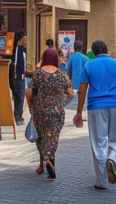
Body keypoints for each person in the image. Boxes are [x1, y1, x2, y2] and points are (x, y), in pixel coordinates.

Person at [74, 40, 116, 190]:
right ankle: (112, 158)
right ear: (107, 49)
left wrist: (79, 112)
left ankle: (102, 182)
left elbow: (81, 90)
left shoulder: (89, 65)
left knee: (98, 143)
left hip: (95, 107)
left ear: (93, 52)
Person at [26, 48, 73, 179]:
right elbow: (70, 93)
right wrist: (62, 104)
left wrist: (31, 106)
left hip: (39, 111)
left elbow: (28, 92)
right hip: (57, 112)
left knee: (41, 137)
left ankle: (43, 163)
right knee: (52, 138)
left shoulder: (37, 74)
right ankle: (49, 161)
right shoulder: (62, 74)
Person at [10, 33, 28, 125]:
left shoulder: (24, 50)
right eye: (24, 38)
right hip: (15, 76)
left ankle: (19, 116)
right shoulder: (15, 49)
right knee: (16, 96)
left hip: (22, 76)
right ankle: (15, 116)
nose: (25, 40)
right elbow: (15, 63)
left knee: (20, 97)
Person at [65, 40, 88, 106]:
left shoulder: (71, 57)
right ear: (82, 47)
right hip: (84, 87)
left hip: (73, 87)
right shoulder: (86, 59)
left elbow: (67, 71)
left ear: (74, 47)